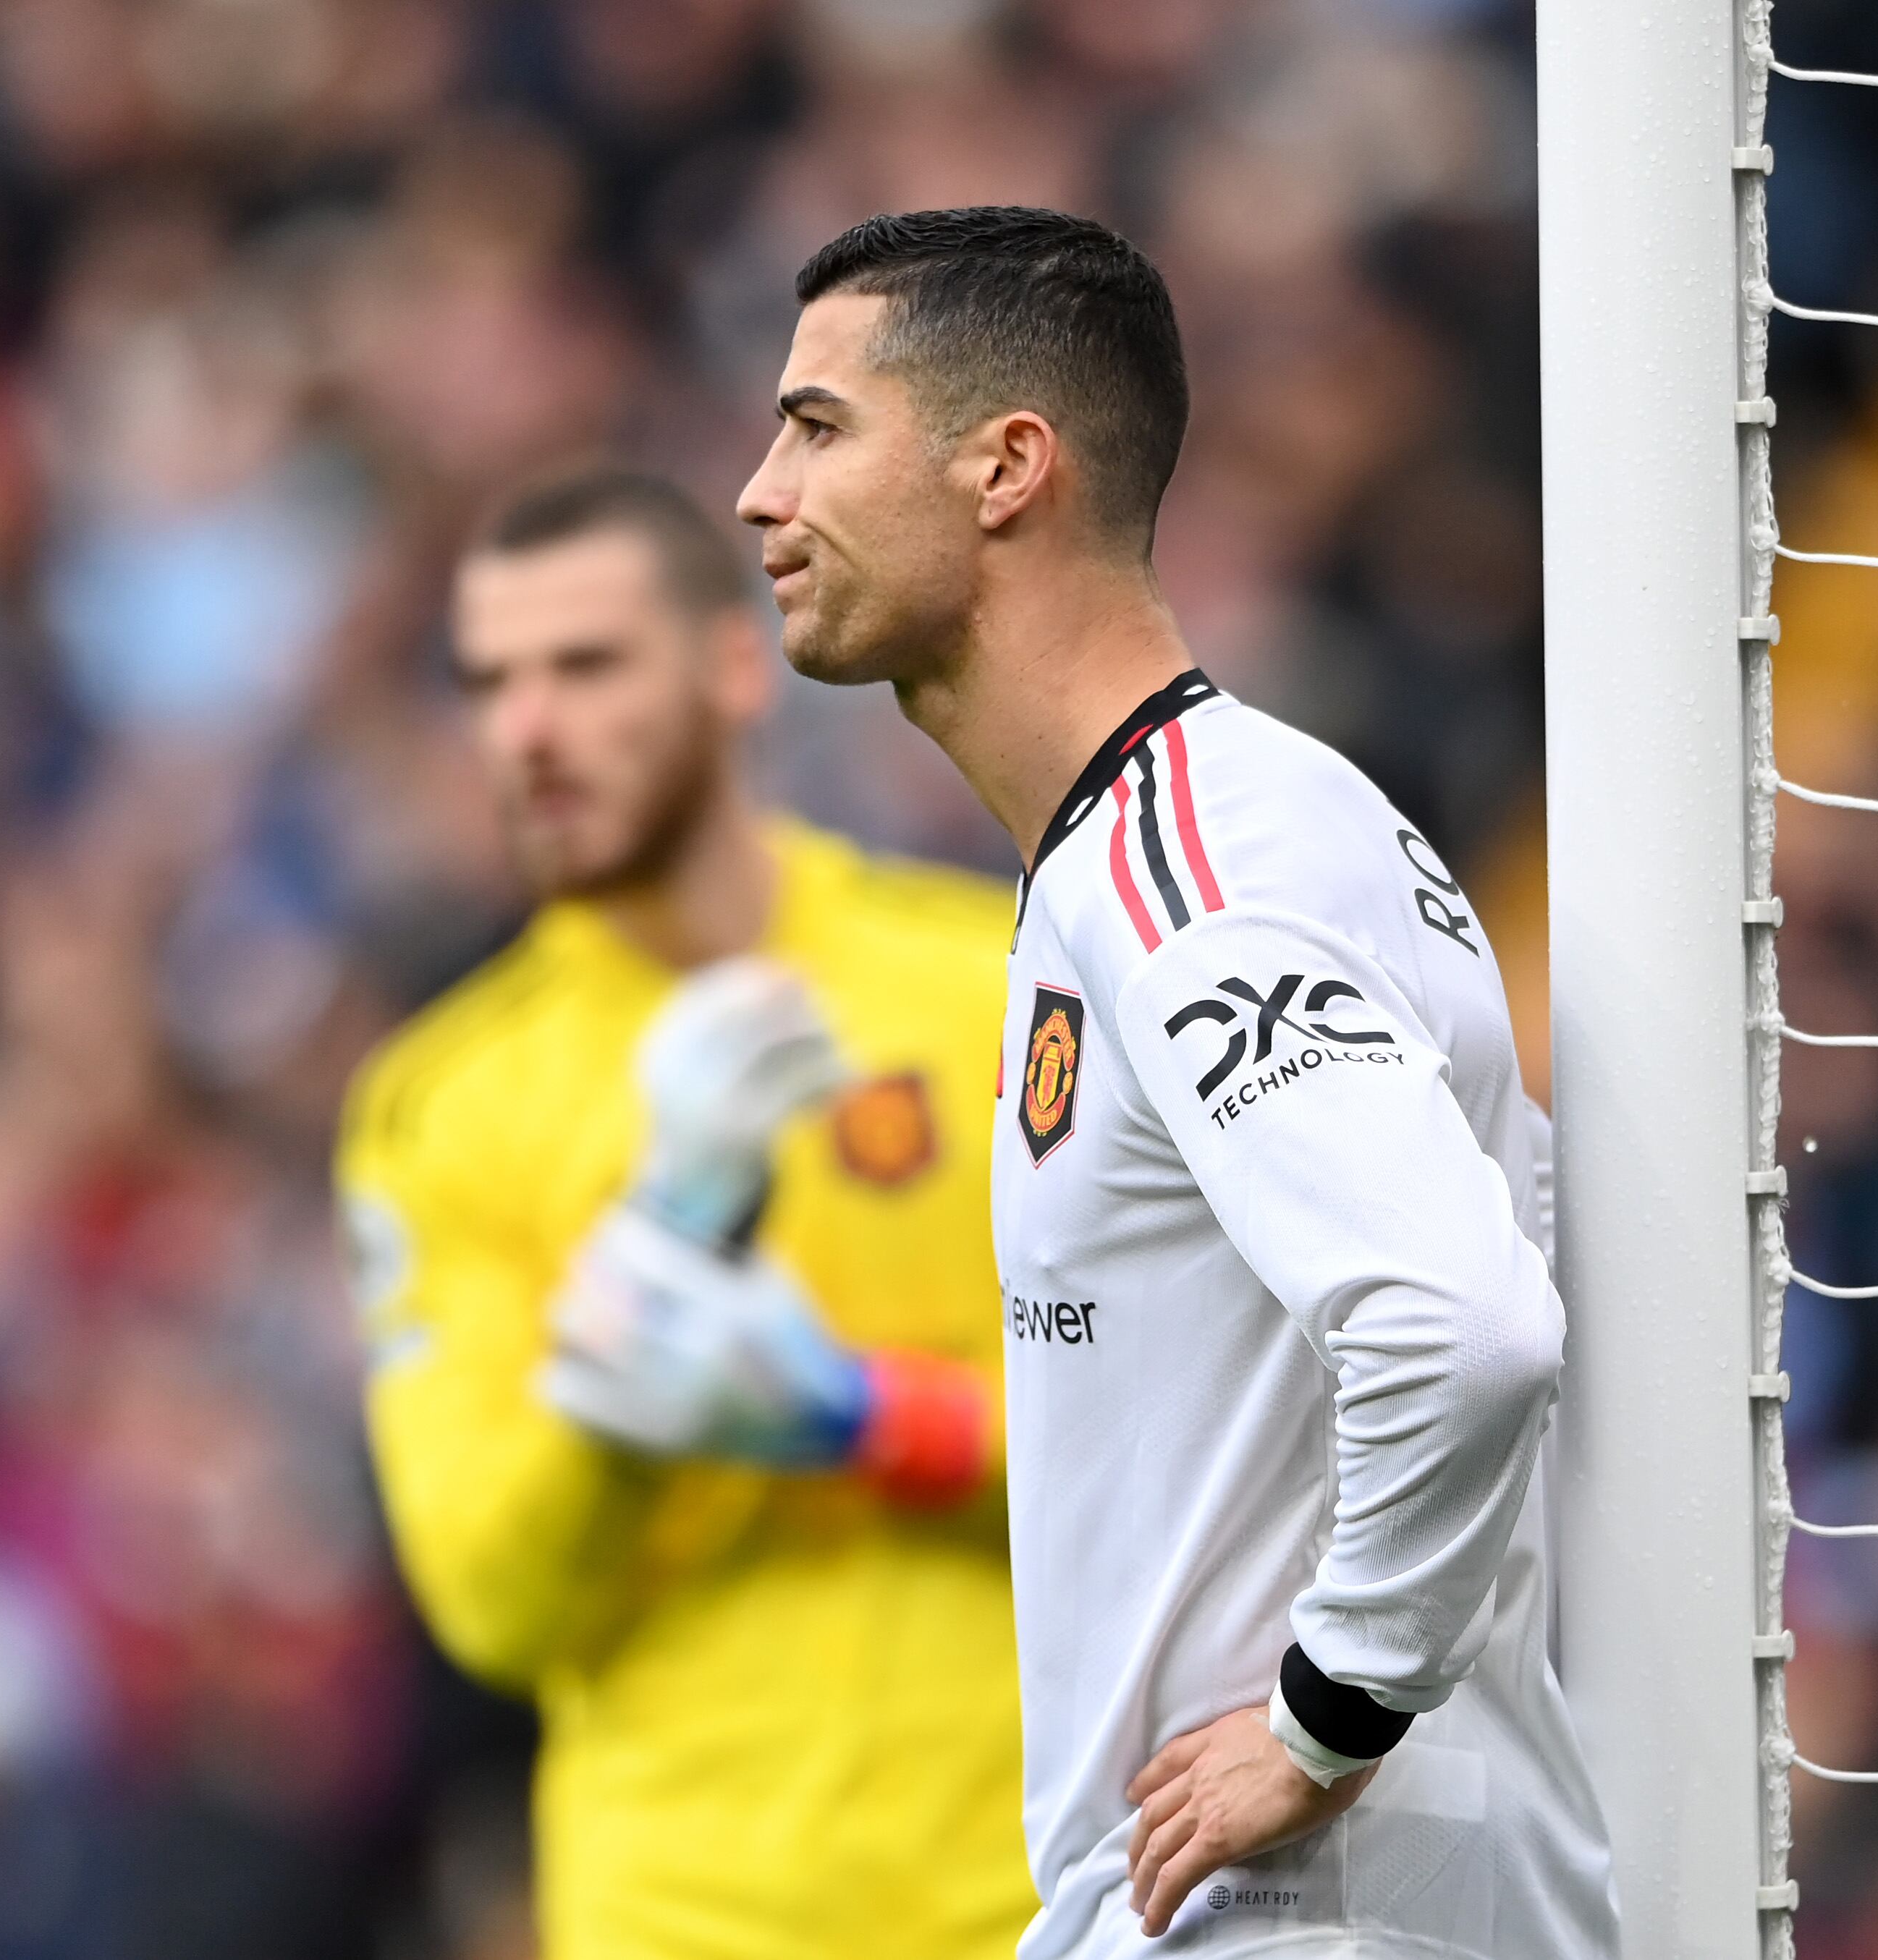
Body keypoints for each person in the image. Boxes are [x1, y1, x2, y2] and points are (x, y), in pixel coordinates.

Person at [737, 208, 1617, 1957]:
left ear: (1006, 468)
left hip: (1307, 1910)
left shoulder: (1196, 865)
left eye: (818, 427)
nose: (763, 494)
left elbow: (1462, 1327)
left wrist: (1327, 1712)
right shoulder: (1167, 850)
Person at [334, 467, 1037, 1959]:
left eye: (586, 666)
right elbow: (491, 1605)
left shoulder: (994, 983)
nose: (528, 728)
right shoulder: (444, 1104)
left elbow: (1190, 1447)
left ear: (734, 666)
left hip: (1040, 1890)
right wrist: (645, 1290)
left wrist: (867, 1417)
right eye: (490, 682)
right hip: (682, 1915)